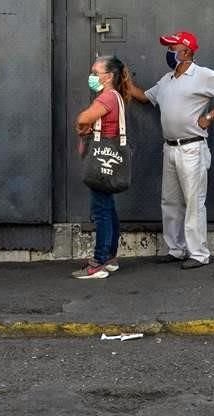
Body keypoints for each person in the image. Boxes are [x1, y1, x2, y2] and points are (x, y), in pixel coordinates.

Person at [124, 31, 214, 269]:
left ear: (187, 52)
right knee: (170, 201)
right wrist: (125, 81)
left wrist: (209, 116)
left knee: (194, 202)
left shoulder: (203, 75)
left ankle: (198, 254)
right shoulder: (167, 79)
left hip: (192, 148)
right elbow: (145, 98)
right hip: (170, 148)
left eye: (172, 48)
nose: (168, 52)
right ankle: (176, 249)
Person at [71, 56, 131, 280]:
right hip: (110, 160)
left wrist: (80, 123)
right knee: (108, 208)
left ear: (109, 76)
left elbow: (84, 117)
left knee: (101, 211)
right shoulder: (115, 96)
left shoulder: (107, 97)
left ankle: (98, 261)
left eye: (96, 73)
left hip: (100, 162)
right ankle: (110, 257)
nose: (92, 76)